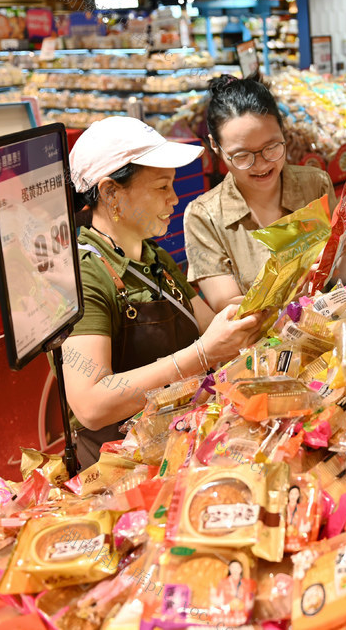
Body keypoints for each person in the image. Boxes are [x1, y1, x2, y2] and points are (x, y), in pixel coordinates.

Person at [64, 117, 263, 469]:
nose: (174, 198)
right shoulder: (84, 275)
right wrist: (201, 355)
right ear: (111, 192)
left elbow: (208, 325)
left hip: (180, 447)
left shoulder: (152, 255)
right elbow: (91, 405)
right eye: (161, 187)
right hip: (123, 471)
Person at [184, 75, 346, 312]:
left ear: (283, 131)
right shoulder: (204, 216)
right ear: (215, 146)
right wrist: (293, 287)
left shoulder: (314, 184)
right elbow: (228, 309)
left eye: (271, 147)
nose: (261, 164)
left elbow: (336, 280)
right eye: (242, 156)